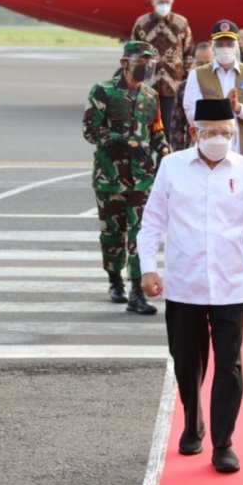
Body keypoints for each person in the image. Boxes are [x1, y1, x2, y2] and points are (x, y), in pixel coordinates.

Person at [137, 98, 243, 474]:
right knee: (187, 363)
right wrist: (148, 269)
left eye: (226, 133)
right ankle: (192, 423)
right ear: (195, 132)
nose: (219, 139)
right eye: (212, 132)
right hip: (184, 285)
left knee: (229, 366)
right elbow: (152, 223)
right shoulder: (173, 166)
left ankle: (223, 442)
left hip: (230, 285)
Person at [82, 40, 169, 316]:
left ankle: (136, 293)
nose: (145, 68)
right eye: (140, 63)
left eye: (149, 64)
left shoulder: (149, 96)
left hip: (141, 180)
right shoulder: (103, 91)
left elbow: (156, 131)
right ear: (125, 63)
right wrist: (122, 141)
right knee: (112, 236)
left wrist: (165, 150)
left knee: (140, 235)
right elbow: (90, 130)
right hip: (110, 178)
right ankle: (114, 279)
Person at [183, 19, 243, 175]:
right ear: (212, 45)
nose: (225, 48)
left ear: (237, 44)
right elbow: (192, 114)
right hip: (208, 153)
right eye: (220, 44)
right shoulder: (197, 75)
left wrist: (239, 109)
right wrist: (223, 107)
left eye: (229, 44)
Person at [131, 0, 194, 142]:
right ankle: (146, 164)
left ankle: (164, 162)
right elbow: (133, 54)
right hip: (147, 87)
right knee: (145, 129)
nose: (164, 5)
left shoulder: (181, 23)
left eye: (168, 1)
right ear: (153, 1)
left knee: (169, 129)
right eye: (161, 1)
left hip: (173, 87)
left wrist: (189, 82)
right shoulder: (142, 23)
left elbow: (189, 54)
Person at [169, 42, 214, 151]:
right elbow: (177, 125)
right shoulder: (184, 88)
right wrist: (179, 153)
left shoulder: (223, 84)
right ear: (193, 63)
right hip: (195, 146)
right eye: (199, 63)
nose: (203, 67)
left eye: (208, 63)